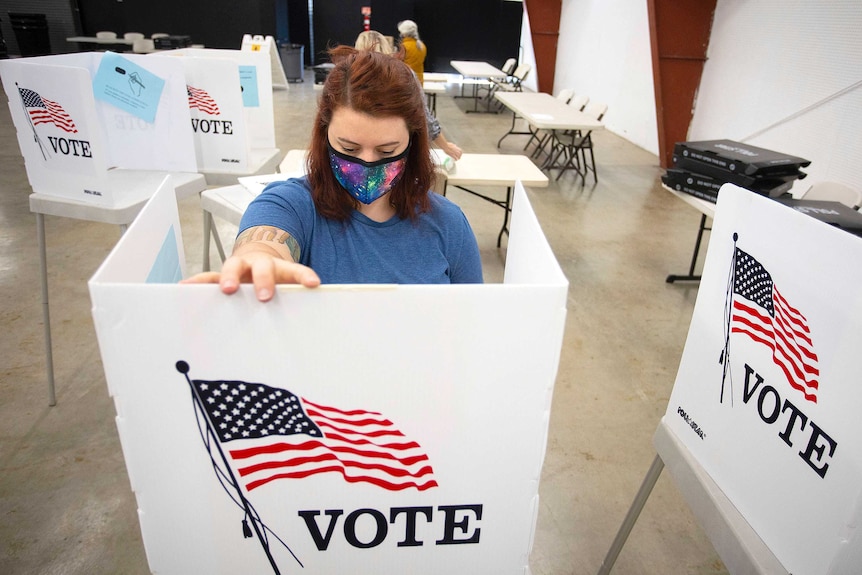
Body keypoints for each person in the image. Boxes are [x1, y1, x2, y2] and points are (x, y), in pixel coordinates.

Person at [183, 47, 483, 301]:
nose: (367, 164)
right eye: (349, 149)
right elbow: (264, 241)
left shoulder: (448, 225)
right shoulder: (290, 204)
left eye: (387, 151)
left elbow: (472, 328)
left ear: (413, 142)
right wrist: (257, 261)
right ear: (325, 135)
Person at [354, 29, 462, 160]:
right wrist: (446, 147)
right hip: (396, 149)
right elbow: (424, 117)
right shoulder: (404, 73)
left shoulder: (350, 76)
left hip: (358, 149)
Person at [397, 20, 426, 84]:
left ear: (403, 33)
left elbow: (397, 64)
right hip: (419, 82)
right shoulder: (422, 46)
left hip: (406, 82)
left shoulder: (404, 46)